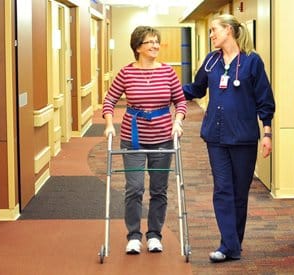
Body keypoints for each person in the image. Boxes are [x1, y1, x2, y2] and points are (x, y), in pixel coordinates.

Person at [183, 14, 275, 263]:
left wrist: (267, 133)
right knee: (222, 189)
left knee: (239, 192)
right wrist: (168, 88)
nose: (211, 35)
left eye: (214, 30)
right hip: (216, 135)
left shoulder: (252, 62)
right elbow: (196, 89)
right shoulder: (212, 61)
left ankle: (232, 244)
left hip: (243, 137)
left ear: (229, 31)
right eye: (211, 31)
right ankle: (228, 245)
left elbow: (265, 100)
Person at [102, 26, 187, 255]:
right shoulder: (126, 73)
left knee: (159, 190)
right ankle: (133, 236)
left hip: (162, 140)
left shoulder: (168, 72)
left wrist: (178, 121)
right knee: (135, 188)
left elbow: (180, 101)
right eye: (149, 42)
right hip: (133, 140)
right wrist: (110, 124)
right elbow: (109, 100)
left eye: (156, 42)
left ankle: (154, 235)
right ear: (138, 47)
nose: (155, 46)